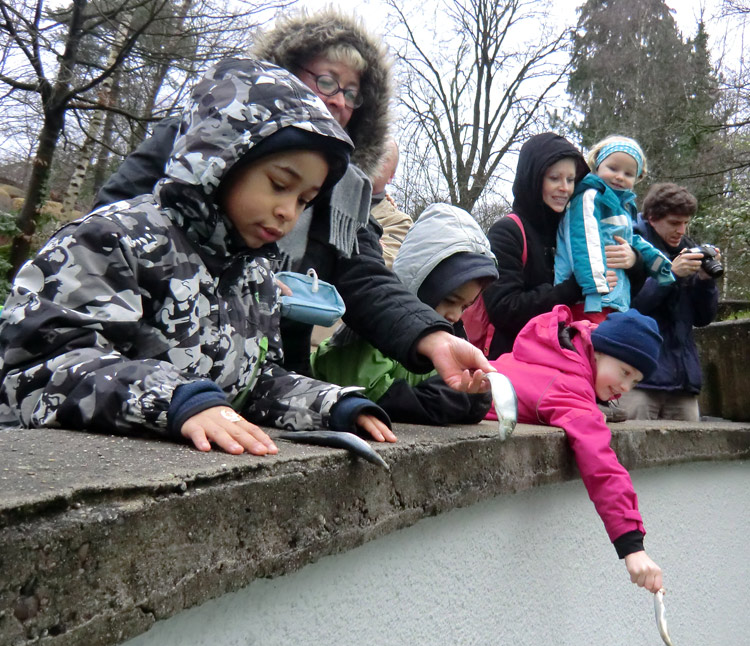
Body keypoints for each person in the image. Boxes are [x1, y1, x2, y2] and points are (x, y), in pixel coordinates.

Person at [0, 58, 397, 455]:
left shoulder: (255, 274)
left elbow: (256, 382)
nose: (288, 212)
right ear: (222, 159)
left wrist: (333, 405)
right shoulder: (112, 240)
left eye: (304, 200)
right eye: (279, 184)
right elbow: (40, 367)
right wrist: (176, 401)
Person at [92, 8, 492, 393]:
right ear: (282, 71)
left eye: (352, 94)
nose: (340, 101)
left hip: (273, 376)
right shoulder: (194, 138)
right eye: (328, 81)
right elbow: (110, 232)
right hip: (148, 367)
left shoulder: (347, 192)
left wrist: (432, 336)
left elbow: (364, 279)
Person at [488, 306, 664, 592]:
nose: (625, 387)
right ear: (597, 351)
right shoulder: (570, 390)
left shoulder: (552, 353)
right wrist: (632, 546)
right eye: (624, 371)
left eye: (635, 381)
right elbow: (601, 463)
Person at [311, 203, 497, 425]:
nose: (456, 315)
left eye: (465, 307)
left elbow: (461, 398)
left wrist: (476, 395)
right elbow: (373, 394)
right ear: (422, 282)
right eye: (450, 300)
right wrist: (451, 401)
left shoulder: (451, 336)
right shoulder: (371, 333)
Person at [618, 183, 720, 421]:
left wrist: (705, 281)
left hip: (682, 383)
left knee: (691, 457)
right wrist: (670, 275)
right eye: (674, 223)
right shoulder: (628, 247)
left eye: (685, 223)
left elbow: (703, 318)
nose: (681, 231)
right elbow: (628, 309)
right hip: (637, 380)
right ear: (652, 218)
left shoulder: (688, 250)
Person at [554, 135, 674, 323]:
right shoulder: (590, 197)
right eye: (613, 168)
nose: (619, 176)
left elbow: (632, 240)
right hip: (589, 301)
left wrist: (659, 265)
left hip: (614, 300)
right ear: (598, 165)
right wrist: (594, 288)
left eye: (628, 174)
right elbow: (584, 241)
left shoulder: (621, 207)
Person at [369, 136, 414, 268]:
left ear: (391, 176)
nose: (372, 159)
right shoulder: (324, 195)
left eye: (383, 157)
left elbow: (382, 265)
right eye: (369, 151)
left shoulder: (400, 222)